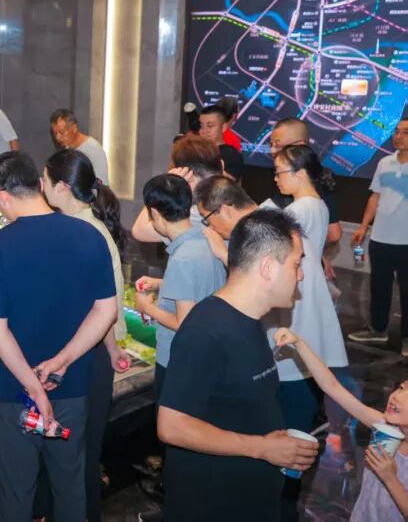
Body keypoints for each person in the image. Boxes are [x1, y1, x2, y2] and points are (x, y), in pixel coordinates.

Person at [0, 151, 117, 522]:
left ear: (2, 196)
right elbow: (106, 311)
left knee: (17, 494)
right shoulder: (88, 235)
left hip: (13, 393)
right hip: (71, 385)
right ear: (38, 184)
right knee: (70, 488)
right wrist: (62, 361)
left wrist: (32, 387)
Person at [157, 209, 319, 520]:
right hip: (212, 505)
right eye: (296, 264)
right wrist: (261, 447)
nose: (300, 275)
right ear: (268, 267)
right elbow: (172, 426)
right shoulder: (205, 330)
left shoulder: (251, 320)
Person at [42, 149, 130, 522]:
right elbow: (103, 307)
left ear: (62, 187)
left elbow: (99, 310)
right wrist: (113, 349)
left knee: (73, 466)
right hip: (90, 356)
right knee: (79, 461)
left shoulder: (81, 233)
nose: (41, 186)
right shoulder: (85, 227)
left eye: (45, 180)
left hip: (78, 360)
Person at [272, 327, 408, 521]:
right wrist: (299, 343)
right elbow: (332, 386)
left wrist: (390, 478)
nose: (397, 396)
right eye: (401, 387)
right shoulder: (384, 427)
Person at [268, 146, 347, 431]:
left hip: (297, 284)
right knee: (307, 352)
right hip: (309, 285)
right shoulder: (318, 204)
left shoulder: (298, 210)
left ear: (300, 173)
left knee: (292, 360)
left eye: (279, 172)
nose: (276, 178)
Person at [132, 174, 227, 401]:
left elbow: (183, 322)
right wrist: (160, 283)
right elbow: (199, 285)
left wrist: (146, 307)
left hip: (178, 361)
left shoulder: (182, 258)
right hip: (206, 357)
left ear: (155, 213)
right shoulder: (207, 239)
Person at [349, 118, 408, 349]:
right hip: (380, 238)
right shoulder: (384, 162)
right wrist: (363, 226)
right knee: (379, 286)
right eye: (397, 131)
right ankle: (378, 329)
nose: (398, 136)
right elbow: (375, 196)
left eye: (405, 132)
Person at [268, 118, 342, 280]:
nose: (272, 151)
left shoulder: (299, 202)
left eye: (278, 145)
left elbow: (334, 233)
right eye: (271, 145)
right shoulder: (314, 195)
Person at [131, 136, 222, 243]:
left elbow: (139, 231)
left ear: (188, 177)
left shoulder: (197, 214)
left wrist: (165, 187)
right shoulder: (227, 196)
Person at [49, 109, 109, 186]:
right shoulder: (65, 150)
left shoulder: (94, 151)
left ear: (74, 128)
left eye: (61, 132)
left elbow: (101, 187)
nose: (57, 138)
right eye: (55, 133)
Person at [198, 104, 244, 182]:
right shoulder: (195, 151)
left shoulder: (231, 155)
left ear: (223, 127)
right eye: (201, 126)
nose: (204, 131)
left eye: (210, 126)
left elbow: (228, 184)